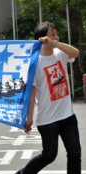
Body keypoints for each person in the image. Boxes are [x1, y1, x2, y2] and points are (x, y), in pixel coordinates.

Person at [16, 21, 81, 174]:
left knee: (75, 153)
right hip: (48, 119)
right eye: (52, 34)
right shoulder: (34, 63)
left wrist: (56, 43)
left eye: (56, 34)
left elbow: (75, 53)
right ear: (42, 38)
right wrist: (29, 118)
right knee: (49, 155)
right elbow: (31, 93)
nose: (55, 36)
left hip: (67, 116)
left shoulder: (60, 53)